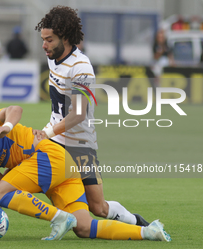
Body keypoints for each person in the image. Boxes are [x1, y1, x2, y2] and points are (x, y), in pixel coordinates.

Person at [0, 106, 171, 242]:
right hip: (57, 172)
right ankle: (148, 232)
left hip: (47, 155)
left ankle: (58, 219)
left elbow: (14, 109)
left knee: (3, 193)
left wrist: (7, 126)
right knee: (84, 228)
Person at [34, 6, 149, 225]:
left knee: (98, 207)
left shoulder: (81, 67)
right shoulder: (52, 57)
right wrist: (49, 134)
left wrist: (46, 132)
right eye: (43, 39)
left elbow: (78, 114)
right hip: (55, 139)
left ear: (65, 38)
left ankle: (134, 221)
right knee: (11, 176)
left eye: (49, 40)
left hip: (80, 144)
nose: (44, 45)